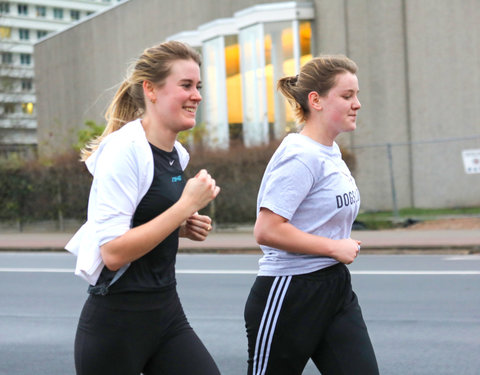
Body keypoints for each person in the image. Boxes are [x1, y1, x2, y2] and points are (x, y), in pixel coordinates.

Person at [65, 41, 221, 375]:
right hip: (117, 324)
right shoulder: (125, 151)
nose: (197, 96)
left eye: (198, 86)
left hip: (166, 312)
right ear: (150, 89)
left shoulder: (177, 154)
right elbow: (114, 253)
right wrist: (184, 207)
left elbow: (144, 218)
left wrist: (182, 225)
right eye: (186, 86)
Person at [244, 55, 379, 375]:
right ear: (315, 100)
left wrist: (337, 241)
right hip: (290, 291)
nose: (357, 104)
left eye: (356, 95)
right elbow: (267, 230)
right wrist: (334, 246)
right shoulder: (300, 156)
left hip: (334, 288)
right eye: (347, 96)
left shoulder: (329, 151)